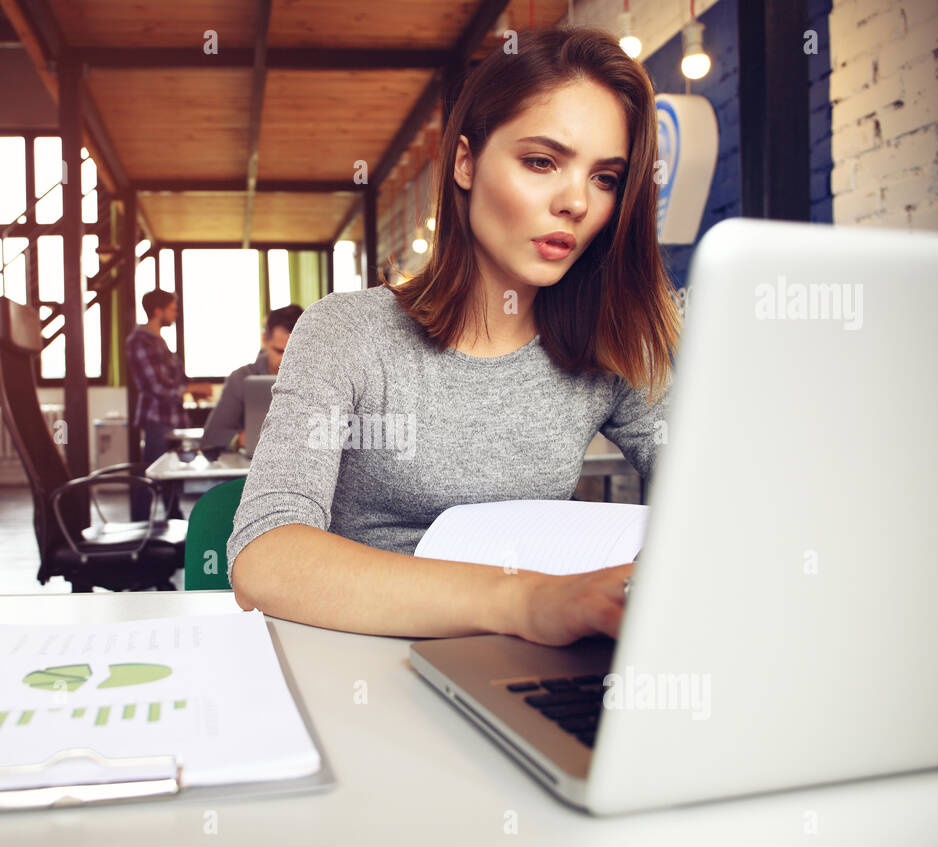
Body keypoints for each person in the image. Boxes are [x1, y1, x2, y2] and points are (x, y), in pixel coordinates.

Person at [227, 26, 679, 647]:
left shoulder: (610, 347)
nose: (577, 202)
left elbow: (729, 491)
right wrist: (526, 600)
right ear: (464, 162)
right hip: (358, 663)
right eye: (542, 162)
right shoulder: (349, 332)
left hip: (520, 666)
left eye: (605, 177)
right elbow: (264, 557)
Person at [200, 304, 303, 451]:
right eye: (279, 351)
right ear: (264, 340)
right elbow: (211, 437)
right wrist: (243, 439)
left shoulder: (319, 381)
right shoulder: (241, 379)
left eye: (293, 353)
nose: (286, 361)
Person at [126, 289, 187, 521]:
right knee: (151, 474)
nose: (176, 313)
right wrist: (189, 390)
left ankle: (175, 520)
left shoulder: (158, 341)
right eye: (173, 308)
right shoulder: (140, 341)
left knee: (169, 474)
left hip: (170, 420)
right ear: (158, 311)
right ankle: (140, 526)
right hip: (156, 420)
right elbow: (157, 387)